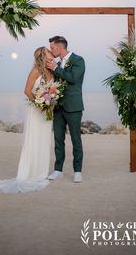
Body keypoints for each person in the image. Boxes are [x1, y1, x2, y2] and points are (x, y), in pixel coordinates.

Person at [0, 47, 54, 193]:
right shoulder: (36, 71)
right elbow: (27, 90)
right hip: (36, 111)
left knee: (44, 140)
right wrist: (38, 103)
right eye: (48, 52)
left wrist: (50, 103)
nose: (51, 53)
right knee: (34, 139)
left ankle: (41, 172)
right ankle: (30, 173)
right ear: (43, 56)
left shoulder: (51, 70)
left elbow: (52, 90)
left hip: (47, 111)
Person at [46, 36, 85, 183]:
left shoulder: (78, 60)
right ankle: (58, 170)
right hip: (58, 107)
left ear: (60, 47)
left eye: (52, 48)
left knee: (76, 139)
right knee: (58, 139)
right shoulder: (56, 63)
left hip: (73, 107)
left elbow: (73, 78)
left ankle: (77, 171)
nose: (51, 50)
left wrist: (56, 69)